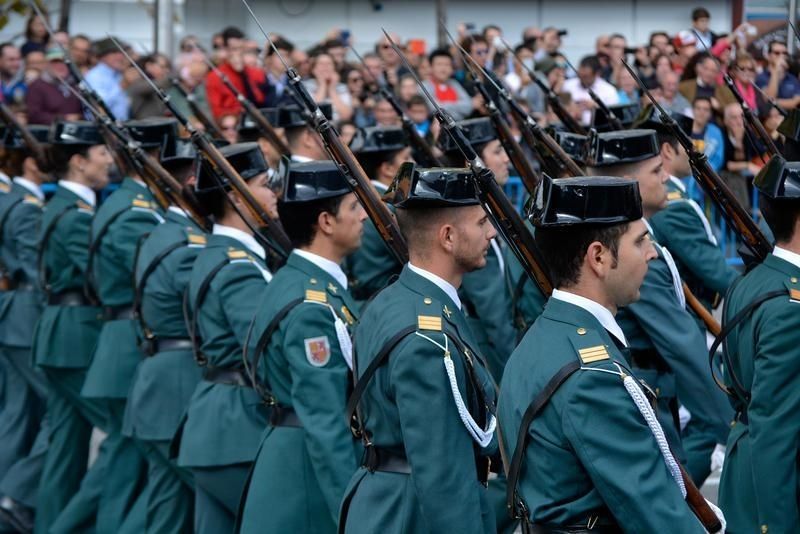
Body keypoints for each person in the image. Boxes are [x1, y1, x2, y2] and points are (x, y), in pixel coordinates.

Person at [498, 174, 710, 532]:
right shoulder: (592, 377)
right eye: (640, 241)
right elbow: (656, 516)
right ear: (598, 256)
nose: (652, 253)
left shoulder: (544, 337)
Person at [340, 163, 498, 534]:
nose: (492, 232)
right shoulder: (428, 343)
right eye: (479, 223)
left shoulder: (395, 298)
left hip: (390, 501)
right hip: (412, 515)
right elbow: (443, 476)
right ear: (448, 236)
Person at [586, 129, 734, 486]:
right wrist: (733, 422)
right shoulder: (631, 251)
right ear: (626, 183)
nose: (665, 176)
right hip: (647, 399)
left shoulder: (641, 237)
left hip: (657, 393)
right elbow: (681, 342)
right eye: (654, 171)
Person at [238, 160, 366, 533]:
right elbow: (325, 420)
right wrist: (352, 512)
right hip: (305, 477)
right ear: (326, 222)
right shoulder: (312, 306)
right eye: (353, 208)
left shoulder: (299, 279)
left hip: (294, 457)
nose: (362, 217)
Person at [68, 119, 173, 534]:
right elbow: (153, 281)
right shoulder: (135, 211)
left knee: (125, 465)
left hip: (125, 340)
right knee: (126, 470)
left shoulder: (136, 204)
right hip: (127, 343)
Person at [177, 143, 277, 534]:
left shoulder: (222, 252)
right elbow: (262, 352)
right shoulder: (238, 267)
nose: (274, 194)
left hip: (216, 426)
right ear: (237, 195)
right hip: (238, 427)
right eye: (265, 184)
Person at [121, 139, 206, 533]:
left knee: (166, 513)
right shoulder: (188, 244)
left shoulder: (163, 232)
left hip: (157, 385)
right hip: (177, 387)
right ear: (192, 181)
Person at [32, 121, 112, 534]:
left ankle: (50, 524)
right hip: (76, 337)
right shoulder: (76, 215)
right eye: (101, 154)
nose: (109, 162)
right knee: (122, 437)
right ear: (79, 162)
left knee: (66, 448)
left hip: (60, 334)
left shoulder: (64, 205)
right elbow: (100, 278)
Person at [718, 155, 800, 534]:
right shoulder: (791, 308)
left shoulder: (749, 281)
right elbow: (777, 425)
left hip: (745, 473)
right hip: (777, 491)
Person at [641, 106, 738, 328]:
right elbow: (713, 269)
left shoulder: (674, 196)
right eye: (686, 146)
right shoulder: (672, 205)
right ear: (667, 150)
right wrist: (759, 293)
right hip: (689, 316)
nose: (691, 151)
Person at [0, 125, 51, 533]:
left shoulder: (14, 199)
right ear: (31, 161)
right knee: (58, 410)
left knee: (17, 414)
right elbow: (37, 271)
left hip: (11, 314)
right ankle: (17, 493)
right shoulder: (27, 206)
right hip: (26, 314)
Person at [345, 126, 410, 301]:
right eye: (406, 158)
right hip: (388, 300)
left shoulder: (362, 203)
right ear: (388, 169)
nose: (413, 164)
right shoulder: (389, 210)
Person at [205, 27, 267, 119]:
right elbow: (216, 111)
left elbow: (262, 101)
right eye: (234, 49)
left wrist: (244, 75)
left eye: (242, 49)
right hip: (231, 125)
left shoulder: (256, 73)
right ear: (225, 50)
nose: (238, 53)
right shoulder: (214, 76)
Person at [25, 48, 82, 125]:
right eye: (55, 62)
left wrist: (80, 117)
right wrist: (63, 118)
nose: (60, 65)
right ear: (46, 64)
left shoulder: (76, 84)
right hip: (50, 132)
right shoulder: (37, 86)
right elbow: (34, 115)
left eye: (63, 62)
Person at [562, 55, 619, 125]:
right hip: (571, 126)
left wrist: (597, 108)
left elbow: (613, 115)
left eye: (586, 76)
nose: (582, 79)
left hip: (600, 129)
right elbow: (562, 106)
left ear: (597, 74)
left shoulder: (609, 91)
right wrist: (571, 108)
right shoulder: (567, 85)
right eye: (580, 75)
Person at [84, 37, 131, 121]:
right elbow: (100, 105)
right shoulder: (94, 76)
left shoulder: (118, 74)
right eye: (114, 52)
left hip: (121, 127)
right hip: (102, 128)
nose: (120, 56)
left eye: (122, 52)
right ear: (102, 56)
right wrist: (122, 85)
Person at [422, 48, 473, 121]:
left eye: (447, 64)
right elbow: (434, 109)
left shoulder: (454, 84)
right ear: (430, 67)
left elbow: (468, 106)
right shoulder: (424, 86)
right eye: (439, 64)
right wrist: (458, 110)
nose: (443, 68)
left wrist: (444, 106)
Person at [303, 52, 353, 121]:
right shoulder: (306, 85)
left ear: (334, 68)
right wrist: (322, 85)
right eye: (321, 64)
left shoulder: (342, 87)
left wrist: (332, 89)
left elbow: (346, 115)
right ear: (313, 69)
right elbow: (311, 113)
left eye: (329, 64)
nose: (325, 67)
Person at [756, 40, 800, 109]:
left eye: (785, 53)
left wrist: (775, 102)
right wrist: (776, 71)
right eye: (777, 53)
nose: (781, 56)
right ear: (768, 56)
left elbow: (795, 103)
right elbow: (769, 99)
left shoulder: (792, 78)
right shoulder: (761, 77)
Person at [690, 96, 724, 172]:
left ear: (710, 113)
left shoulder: (716, 133)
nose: (702, 112)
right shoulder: (683, 129)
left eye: (706, 109)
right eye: (698, 108)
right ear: (693, 110)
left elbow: (718, 160)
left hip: (706, 177)